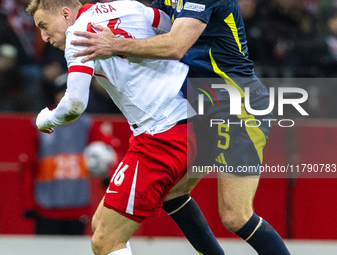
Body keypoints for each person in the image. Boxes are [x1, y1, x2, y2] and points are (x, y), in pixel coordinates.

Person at [71, 0, 291, 254]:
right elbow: (144, 29)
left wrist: (114, 44)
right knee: (171, 193)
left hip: (239, 106)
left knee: (235, 216)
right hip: (202, 107)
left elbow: (175, 46)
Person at [26, 1, 223, 255]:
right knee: (101, 224)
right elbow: (172, 26)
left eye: (44, 25)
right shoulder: (127, 6)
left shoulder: (78, 33)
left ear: (66, 14)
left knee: (104, 242)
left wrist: (45, 119)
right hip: (198, 117)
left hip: (164, 131)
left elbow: (74, 104)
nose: (43, 36)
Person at [22, 73, 118, 235]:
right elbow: (27, 167)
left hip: (78, 208)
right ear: (55, 95)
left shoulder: (87, 124)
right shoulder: (39, 125)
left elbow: (107, 151)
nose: (66, 97)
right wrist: (28, 203)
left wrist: (107, 174)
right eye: (63, 92)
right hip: (46, 208)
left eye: (71, 93)